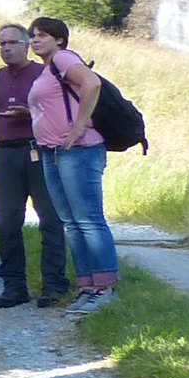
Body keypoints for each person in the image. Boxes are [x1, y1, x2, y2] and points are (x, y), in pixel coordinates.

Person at [28, 16, 120, 314]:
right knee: (72, 222)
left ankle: (104, 288)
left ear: (59, 39)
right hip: (53, 152)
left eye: (42, 35)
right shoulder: (47, 70)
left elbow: (91, 83)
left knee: (88, 219)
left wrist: (79, 126)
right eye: (32, 36)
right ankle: (88, 287)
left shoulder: (64, 58)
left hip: (78, 151)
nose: (35, 40)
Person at [0, 22, 69, 307]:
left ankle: (54, 284)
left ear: (25, 45)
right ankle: (13, 285)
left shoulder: (42, 73)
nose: (5, 48)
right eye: (1, 44)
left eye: (11, 42)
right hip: (7, 154)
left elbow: (57, 112)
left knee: (50, 219)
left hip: (38, 151)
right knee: (7, 220)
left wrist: (29, 113)